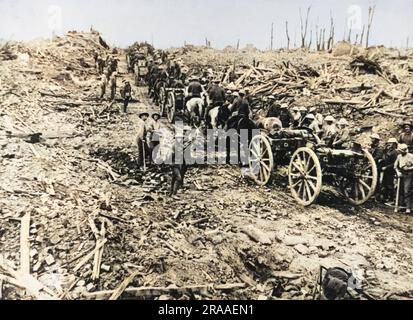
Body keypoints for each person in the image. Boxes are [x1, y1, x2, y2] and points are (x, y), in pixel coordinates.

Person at [394, 144, 413, 214]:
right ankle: (400, 205)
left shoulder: (411, 156)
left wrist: (409, 168)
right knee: (399, 189)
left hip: (409, 174)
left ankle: (408, 207)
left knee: (407, 190)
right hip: (401, 173)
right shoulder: (399, 156)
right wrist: (398, 172)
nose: (400, 152)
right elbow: (395, 166)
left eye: (401, 151)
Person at [381, 138, 399, 203]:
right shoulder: (388, 150)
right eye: (389, 143)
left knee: (390, 185)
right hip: (386, 170)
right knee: (384, 184)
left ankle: (391, 199)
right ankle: (385, 198)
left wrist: (387, 167)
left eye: (391, 143)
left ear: (394, 144)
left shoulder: (395, 152)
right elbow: (384, 156)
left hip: (391, 170)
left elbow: (395, 163)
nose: (389, 144)